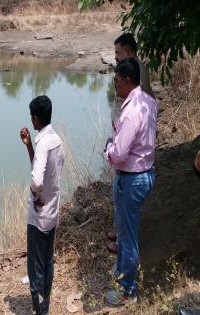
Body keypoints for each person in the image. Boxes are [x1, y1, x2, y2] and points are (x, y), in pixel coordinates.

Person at [104, 58, 157, 305]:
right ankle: (123, 276)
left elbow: (118, 154)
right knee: (126, 232)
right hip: (143, 173)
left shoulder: (132, 111)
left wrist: (108, 149)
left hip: (132, 178)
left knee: (127, 236)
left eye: (116, 80)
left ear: (126, 80)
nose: (114, 85)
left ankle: (128, 292)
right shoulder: (147, 101)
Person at [107, 32, 155, 253]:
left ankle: (126, 280)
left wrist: (112, 147)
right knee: (121, 190)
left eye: (118, 52)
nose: (115, 57)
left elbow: (145, 100)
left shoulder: (137, 72)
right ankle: (120, 233)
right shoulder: (127, 72)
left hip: (131, 137)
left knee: (123, 178)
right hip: (127, 131)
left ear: (129, 51)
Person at [20, 95, 64, 315]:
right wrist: (29, 147)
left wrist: (34, 193)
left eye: (31, 116)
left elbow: (37, 180)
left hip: (39, 216)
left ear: (36, 118)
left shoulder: (44, 144)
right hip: (52, 213)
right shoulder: (55, 140)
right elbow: (45, 172)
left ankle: (40, 310)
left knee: (35, 267)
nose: (31, 120)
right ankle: (45, 304)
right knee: (47, 261)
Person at [114, 33, 154, 98]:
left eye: (118, 53)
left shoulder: (136, 71)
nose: (116, 58)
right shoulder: (137, 67)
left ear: (130, 53)